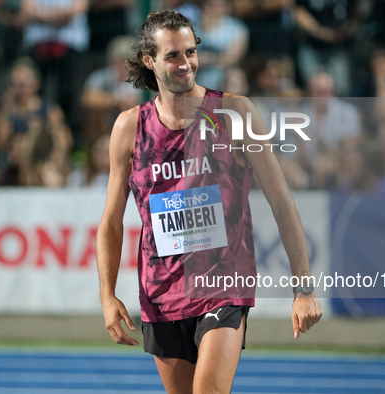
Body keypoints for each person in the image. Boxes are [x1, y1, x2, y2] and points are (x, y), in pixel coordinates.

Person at [97, 10, 322, 393]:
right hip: (161, 291)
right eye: (173, 55)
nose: (186, 63)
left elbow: (282, 203)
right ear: (149, 60)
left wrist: (303, 288)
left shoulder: (234, 113)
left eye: (190, 52)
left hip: (223, 283)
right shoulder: (129, 127)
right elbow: (111, 221)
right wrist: (107, 294)